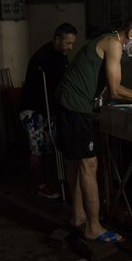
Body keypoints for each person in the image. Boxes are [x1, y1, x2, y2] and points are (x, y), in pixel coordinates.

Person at [54, 17, 132, 243]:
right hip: (75, 106)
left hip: (67, 102)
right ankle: (93, 227)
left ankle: (78, 216)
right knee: (89, 163)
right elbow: (115, 90)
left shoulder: (106, 41)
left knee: (75, 161)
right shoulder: (114, 44)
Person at [19, 23, 78, 199]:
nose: (70, 47)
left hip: (48, 109)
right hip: (33, 110)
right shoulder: (42, 58)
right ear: (57, 39)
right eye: (68, 43)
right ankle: (41, 185)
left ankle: (54, 182)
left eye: (72, 43)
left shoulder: (62, 55)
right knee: (37, 149)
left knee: (51, 147)